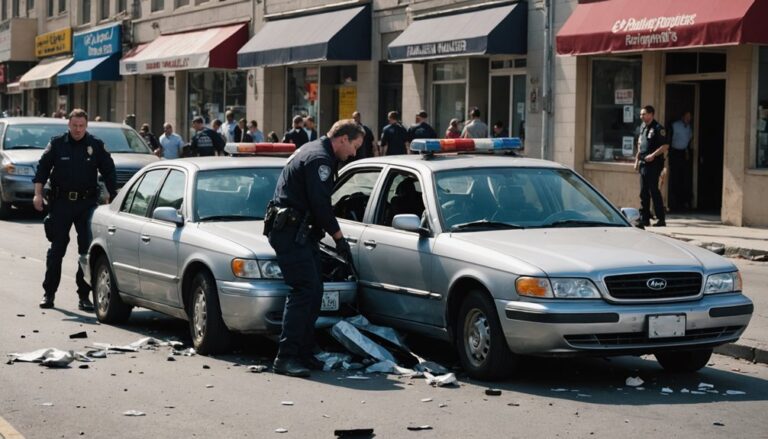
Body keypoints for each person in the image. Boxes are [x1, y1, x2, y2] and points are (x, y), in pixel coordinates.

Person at [265, 119, 363, 377]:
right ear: (342, 139)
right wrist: (339, 238)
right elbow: (320, 205)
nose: (354, 153)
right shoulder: (320, 159)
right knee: (304, 290)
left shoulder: (314, 150)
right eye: (354, 146)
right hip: (290, 232)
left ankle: (304, 353)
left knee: (315, 289)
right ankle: (286, 357)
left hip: (299, 232)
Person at [32, 109, 117, 311]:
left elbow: (109, 171)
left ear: (86, 126)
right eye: (75, 125)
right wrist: (37, 194)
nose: (78, 129)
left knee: (86, 251)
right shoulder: (57, 144)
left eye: (81, 126)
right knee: (56, 250)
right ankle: (49, 293)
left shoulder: (95, 145)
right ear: (68, 124)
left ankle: (84, 296)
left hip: (86, 205)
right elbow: (42, 168)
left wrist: (114, 196)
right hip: (61, 203)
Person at [635, 105, 669, 227]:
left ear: (651, 114)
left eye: (643, 114)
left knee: (654, 191)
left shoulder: (658, 128)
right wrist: (638, 157)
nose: (641, 116)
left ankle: (661, 219)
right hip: (644, 163)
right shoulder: (643, 127)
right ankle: (644, 218)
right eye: (641, 114)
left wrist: (653, 155)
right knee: (643, 192)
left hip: (654, 164)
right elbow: (640, 142)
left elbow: (665, 146)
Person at [668, 111, 693, 211]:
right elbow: (670, 138)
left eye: (690, 117)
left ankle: (683, 202)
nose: (688, 119)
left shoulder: (689, 127)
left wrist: (687, 151)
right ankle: (674, 203)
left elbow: (689, 139)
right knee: (675, 177)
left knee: (683, 178)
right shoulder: (675, 125)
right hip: (675, 153)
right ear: (682, 117)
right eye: (687, 116)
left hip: (683, 153)